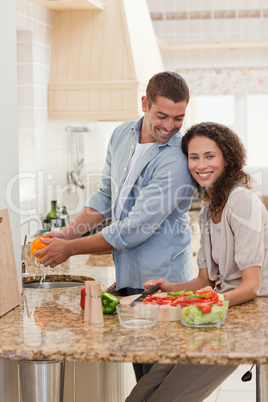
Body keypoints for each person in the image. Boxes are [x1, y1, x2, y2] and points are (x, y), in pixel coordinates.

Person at [36, 71, 196, 380]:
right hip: (129, 278)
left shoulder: (176, 157)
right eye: (162, 115)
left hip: (162, 284)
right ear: (144, 103)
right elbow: (107, 195)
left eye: (179, 118)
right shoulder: (122, 134)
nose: (170, 126)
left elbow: (133, 229)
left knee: (160, 382)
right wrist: (67, 232)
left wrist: (70, 248)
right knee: (144, 372)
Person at [125, 122, 268, 402]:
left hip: (249, 320)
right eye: (194, 157)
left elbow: (251, 286)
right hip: (221, 315)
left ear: (228, 158)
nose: (201, 164)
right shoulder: (207, 212)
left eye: (209, 156)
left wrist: (205, 305)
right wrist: (171, 287)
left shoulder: (241, 202)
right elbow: (205, 281)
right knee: (140, 393)